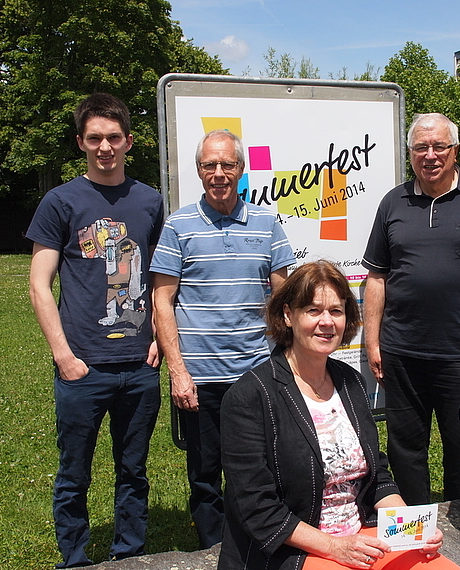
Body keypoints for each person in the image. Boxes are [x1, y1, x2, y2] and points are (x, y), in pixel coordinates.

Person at [218, 260, 460, 570]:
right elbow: (257, 509)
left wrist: (413, 529)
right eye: (313, 310)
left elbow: (377, 476)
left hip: (362, 536)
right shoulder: (249, 396)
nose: (327, 321)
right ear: (288, 315)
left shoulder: (350, 382)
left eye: (336, 311)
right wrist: (336, 547)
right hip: (293, 550)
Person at [27, 93, 164, 568]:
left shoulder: (150, 201)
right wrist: (63, 355)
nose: (104, 147)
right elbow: (39, 285)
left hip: (139, 366)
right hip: (82, 367)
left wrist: (159, 343)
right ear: (81, 143)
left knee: (133, 471)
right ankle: (76, 558)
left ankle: (130, 555)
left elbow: (163, 282)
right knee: (74, 473)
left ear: (128, 141)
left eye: (113, 137)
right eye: (94, 138)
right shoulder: (60, 201)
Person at [362, 113, 460, 504]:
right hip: (402, 351)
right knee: (405, 447)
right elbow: (377, 277)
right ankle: (415, 523)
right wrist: (372, 342)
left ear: (454, 150)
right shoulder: (392, 202)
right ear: (410, 153)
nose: (430, 155)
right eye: (420, 148)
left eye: (439, 147)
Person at [151, 129, 295, 548]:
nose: (219, 173)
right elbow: (163, 301)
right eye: (209, 165)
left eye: (227, 164)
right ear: (198, 171)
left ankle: (258, 542)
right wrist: (178, 372)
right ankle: (212, 550)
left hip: (257, 375)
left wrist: (286, 365)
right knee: (205, 473)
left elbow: (283, 298)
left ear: (241, 169)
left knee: (262, 468)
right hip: (201, 377)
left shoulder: (268, 223)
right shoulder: (178, 225)